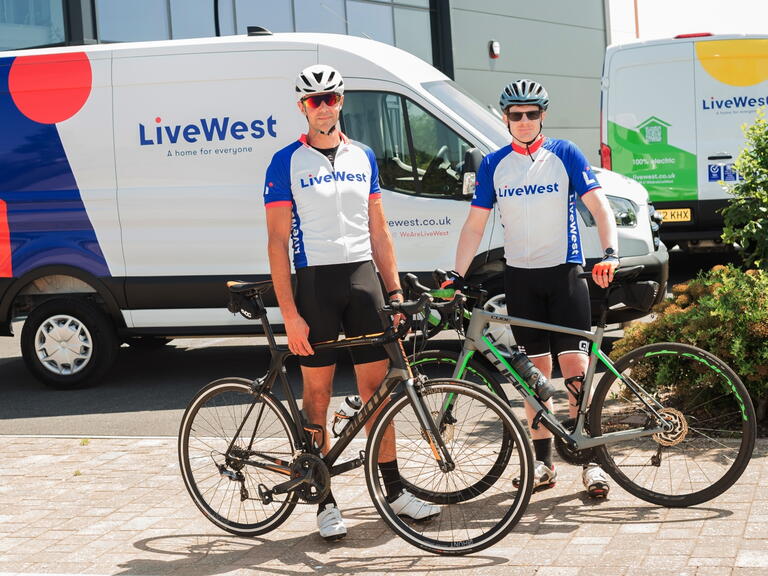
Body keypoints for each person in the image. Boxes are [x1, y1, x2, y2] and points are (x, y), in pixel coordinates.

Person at [264, 64, 439, 541]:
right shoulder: (285, 162)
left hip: (364, 282)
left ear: (341, 101)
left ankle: (395, 491)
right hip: (315, 286)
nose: (323, 107)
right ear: (302, 107)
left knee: (377, 391)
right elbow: (277, 244)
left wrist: (395, 293)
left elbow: (380, 232)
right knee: (317, 395)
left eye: (331, 98)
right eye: (314, 100)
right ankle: (323, 499)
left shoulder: (363, 156)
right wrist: (290, 315)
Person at [451, 79, 619, 498]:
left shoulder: (564, 153)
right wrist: (456, 275)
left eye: (531, 113)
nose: (524, 121)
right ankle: (543, 463)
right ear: (505, 117)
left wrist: (610, 253)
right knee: (534, 376)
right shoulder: (494, 164)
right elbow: (474, 225)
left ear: (543, 115)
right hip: (521, 280)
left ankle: (591, 463)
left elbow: (599, 206)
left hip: (565, 275)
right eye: (516, 114)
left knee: (576, 371)